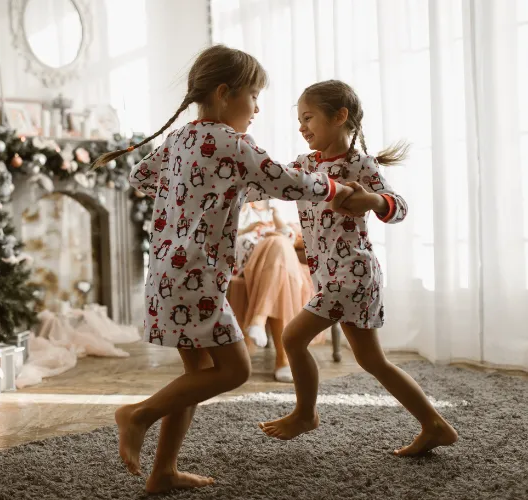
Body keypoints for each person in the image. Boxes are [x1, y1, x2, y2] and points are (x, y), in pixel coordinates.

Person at [91, 46, 354, 493]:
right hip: (198, 276)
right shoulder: (233, 143)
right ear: (225, 92)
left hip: (165, 276)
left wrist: (209, 187)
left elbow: (139, 177)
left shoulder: (179, 140)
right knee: (234, 369)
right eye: (253, 96)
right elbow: (290, 183)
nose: (257, 108)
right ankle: (137, 415)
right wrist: (335, 185)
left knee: (197, 377)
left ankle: (164, 472)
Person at [258, 80, 458, 456]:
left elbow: (398, 206)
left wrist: (372, 200)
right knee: (372, 360)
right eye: (299, 119)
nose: (301, 126)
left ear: (340, 116)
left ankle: (305, 413)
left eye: (308, 117)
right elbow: (272, 181)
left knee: (292, 338)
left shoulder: (360, 165)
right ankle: (435, 425)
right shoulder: (304, 165)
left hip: (353, 275)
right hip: (330, 277)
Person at [231, 200, 315, 382]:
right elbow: (222, 238)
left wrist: (276, 219)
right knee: (278, 252)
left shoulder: (280, 210)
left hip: (288, 267)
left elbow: (291, 237)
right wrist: (250, 229)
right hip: (250, 266)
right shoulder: (239, 209)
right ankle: (283, 361)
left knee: (279, 243)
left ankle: (258, 319)